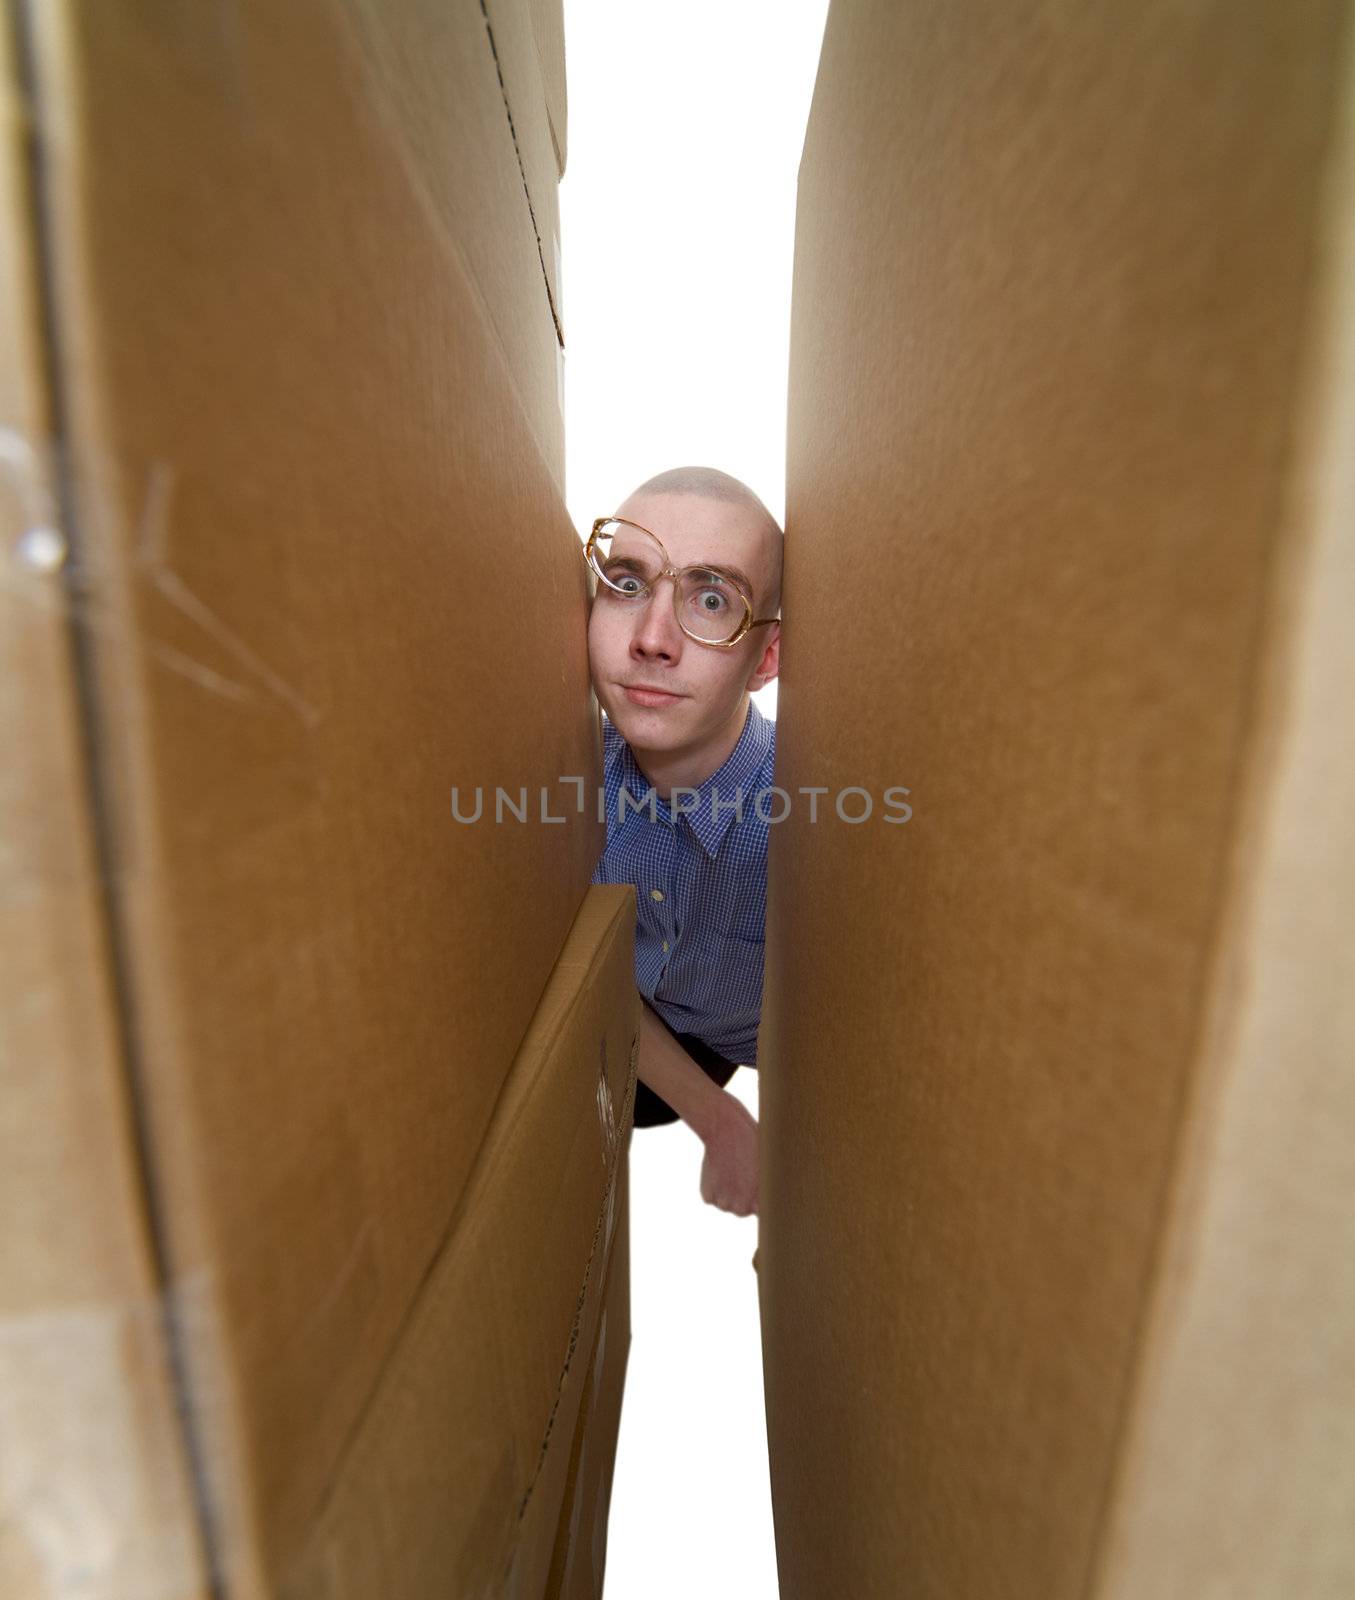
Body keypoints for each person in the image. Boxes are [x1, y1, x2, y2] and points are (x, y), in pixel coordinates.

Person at [585, 465, 782, 1218]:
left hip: (760, 1041)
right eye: (628, 583)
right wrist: (719, 1120)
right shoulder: (554, 779)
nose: (652, 640)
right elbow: (585, 962)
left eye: (710, 600)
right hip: (659, 1033)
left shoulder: (809, 827)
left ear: (764, 659)